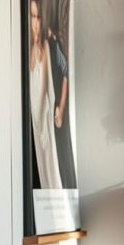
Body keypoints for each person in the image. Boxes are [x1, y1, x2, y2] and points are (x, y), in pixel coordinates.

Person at [28, 0, 62, 190]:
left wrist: (42, 120)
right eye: (32, 17)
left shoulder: (45, 48)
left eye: (38, 17)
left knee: (50, 169)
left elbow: (45, 89)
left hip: (42, 119)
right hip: (32, 119)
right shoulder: (28, 50)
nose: (35, 23)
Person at [48, 18, 76, 188]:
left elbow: (65, 72)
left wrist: (61, 106)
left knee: (62, 152)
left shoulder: (52, 43)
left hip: (57, 110)